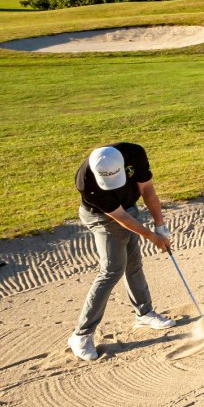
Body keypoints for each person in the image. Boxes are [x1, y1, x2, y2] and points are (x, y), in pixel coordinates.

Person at [70, 143, 175, 361]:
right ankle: (81, 335)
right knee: (112, 270)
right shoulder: (86, 181)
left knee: (133, 263)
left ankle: (144, 313)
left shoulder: (134, 153)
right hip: (101, 217)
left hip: (128, 208)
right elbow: (121, 218)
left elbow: (147, 190)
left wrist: (160, 226)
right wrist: (154, 238)